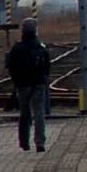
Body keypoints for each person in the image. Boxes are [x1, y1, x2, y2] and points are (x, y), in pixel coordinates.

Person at [6, 18, 51, 152]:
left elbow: (11, 67)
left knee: (25, 113)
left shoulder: (17, 47)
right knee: (39, 112)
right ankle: (40, 142)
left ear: (23, 31)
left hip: (23, 84)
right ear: (35, 31)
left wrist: (16, 82)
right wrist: (44, 79)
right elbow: (47, 65)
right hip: (39, 83)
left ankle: (24, 142)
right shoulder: (41, 46)